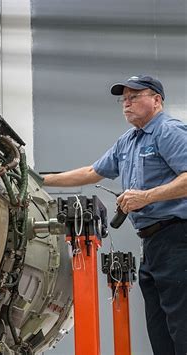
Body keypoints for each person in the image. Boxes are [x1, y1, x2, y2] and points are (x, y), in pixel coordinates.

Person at [43, 75, 187, 355]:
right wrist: (38, 179)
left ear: (156, 100)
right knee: (161, 332)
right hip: (154, 244)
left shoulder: (169, 132)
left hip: (178, 240)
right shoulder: (128, 141)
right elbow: (90, 173)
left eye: (135, 97)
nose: (126, 103)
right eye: (124, 99)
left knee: (182, 327)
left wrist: (145, 196)